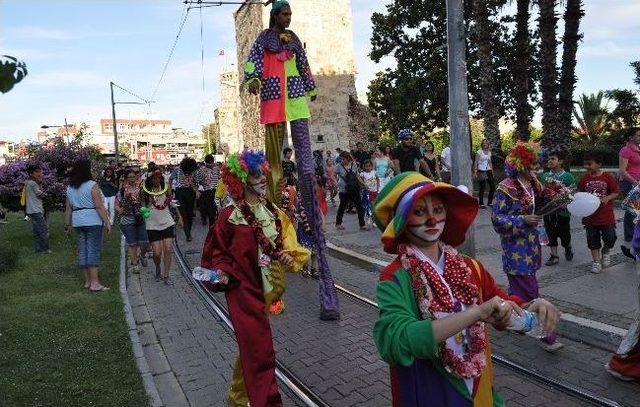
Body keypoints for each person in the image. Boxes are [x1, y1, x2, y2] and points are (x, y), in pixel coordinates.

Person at [372, 172, 560, 406]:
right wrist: (476, 313)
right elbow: (395, 342)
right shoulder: (394, 278)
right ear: (400, 220)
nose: (432, 220)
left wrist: (531, 306)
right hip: (431, 394)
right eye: (419, 212)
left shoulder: (470, 267)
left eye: (438, 210)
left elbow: (501, 303)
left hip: (478, 393)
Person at [244, 0, 339, 319]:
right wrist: (253, 78)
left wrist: (310, 86)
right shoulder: (262, 39)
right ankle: (271, 247)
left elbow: (304, 64)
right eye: (284, 14)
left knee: (307, 169)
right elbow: (252, 62)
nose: (288, 18)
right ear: (274, 15)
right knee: (272, 166)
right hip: (272, 100)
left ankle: (324, 277)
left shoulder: (294, 39)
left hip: (296, 100)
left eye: (290, 15)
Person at [199, 150, 309, 406]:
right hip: (242, 290)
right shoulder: (228, 216)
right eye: (256, 175)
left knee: (251, 348)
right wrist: (222, 271)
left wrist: (285, 256)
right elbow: (216, 253)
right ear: (241, 179)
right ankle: (267, 401)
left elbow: (286, 244)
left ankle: (237, 398)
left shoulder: (273, 212)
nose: (262, 179)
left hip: (268, 287)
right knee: (261, 350)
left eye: (263, 174)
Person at [492, 142, 563, 352]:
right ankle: (547, 335)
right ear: (520, 163)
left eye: (536, 162)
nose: (536, 166)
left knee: (518, 292)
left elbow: (547, 197)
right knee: (531, 291)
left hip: (531, 246)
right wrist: (523, 219)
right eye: (531, 162)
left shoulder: (533, 182)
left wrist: (562, 195)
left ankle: (509, 319)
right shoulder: (506, 187)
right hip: (515, 249)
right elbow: (497, 219)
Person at [64, 159, 112, 292]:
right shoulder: (92, 185)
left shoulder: (70, 187)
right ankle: (95, 283)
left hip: (77, 221)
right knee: (93, 250)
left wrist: (67, 225)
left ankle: (87, 281)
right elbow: (99, 206)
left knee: (83, 250)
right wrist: (107, 222)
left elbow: (68, 208)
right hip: (93, 220)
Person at [578, 152, 619, 274]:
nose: (587, 166)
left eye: (589, 163)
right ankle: (596, 262)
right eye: (585, 164)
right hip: (590, 217)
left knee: (610, 237)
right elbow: (580, 195)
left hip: (606, 216)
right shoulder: (584, 179)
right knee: (592, 239)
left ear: (599, 164)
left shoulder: (607, 177)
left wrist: (607, 198)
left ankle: (605, 251)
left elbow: (616, 192)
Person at [142, 169, 181, 285]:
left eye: (159, 178)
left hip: (167, 221)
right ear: (150, 179)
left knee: (168, 249)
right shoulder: (145, 192)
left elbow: (172, 203)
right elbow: (143, 209)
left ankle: (166, 275)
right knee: (157, 253)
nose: (157, 180)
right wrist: (148, 204)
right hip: (152, 223)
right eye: (154, 178)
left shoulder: (166, 189)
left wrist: (179, 216)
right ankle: (157, 267)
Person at [540, 151, 576, 266]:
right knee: (550, 233)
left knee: (564, 234)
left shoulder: (567, 176)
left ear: (560, 162)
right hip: (548, 211)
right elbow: (542, 191)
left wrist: (565, 193)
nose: (549, 161)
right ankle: (554, 255)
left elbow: (573, 191)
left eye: (553, 158)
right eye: (548, 159)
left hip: (562, 212)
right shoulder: (545, 176)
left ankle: (567, 246)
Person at [116, 169, 149, 272]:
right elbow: (116, 204)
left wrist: (144, 212)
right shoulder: (122, 190)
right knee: (132, 243)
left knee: (144, 242)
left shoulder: (140, 189)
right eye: (129, 177)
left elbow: (144, 202)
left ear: (136, 177)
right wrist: (120, 210)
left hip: (139, 218)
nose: (132, 179)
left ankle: (141, 256)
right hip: (127, 219)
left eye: (133, 176)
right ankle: (135, 265)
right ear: (126, 179)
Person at [619, 127, 640, 258]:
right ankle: (630, 235)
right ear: (631, 137)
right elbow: (622, 170)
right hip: (629, 183)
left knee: (637, 210)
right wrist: (634, 182)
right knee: (632, 210)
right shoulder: (626, 150)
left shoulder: (638, 149)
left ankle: (636, 236)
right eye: (638, 135)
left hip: (638, 182)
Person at [335, 151, 366, 231]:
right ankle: (338, 223)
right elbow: (333, 174)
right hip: (343, 189)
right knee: (342, 206)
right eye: (341, 159)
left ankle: (362, 225)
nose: (342, 160)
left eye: (343, 159)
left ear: (348, 158)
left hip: (354, 188)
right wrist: (336, 182)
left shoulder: (354, 165)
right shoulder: (339, 166)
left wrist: (363, 184)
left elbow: (357, 176)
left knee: (359, 206)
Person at [170, 157, 198, 241]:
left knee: (190, 214)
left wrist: (196, 191)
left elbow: (193, 182)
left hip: (190, 193)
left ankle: (188, 230)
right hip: (179, 193)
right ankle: (188, 234)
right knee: (183, 214)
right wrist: (170, 193)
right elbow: (170, 180)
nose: (188, 173)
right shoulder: (177, 170)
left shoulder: (193, 171)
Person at [25, 164, 50, 254]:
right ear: (31, 174)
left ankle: (38, 248)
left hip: (31, 210)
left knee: (36, 230)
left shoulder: (29, 183)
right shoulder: (33, 183)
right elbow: (41, 195)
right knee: (43, 230)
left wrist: (40, 182)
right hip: (36, 210)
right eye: (36, 172)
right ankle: (46, 249)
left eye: (40, 171)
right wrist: (41, 184)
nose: (40, 173)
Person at [195, 154, 220, 227]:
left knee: (214, 209)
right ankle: (209, 222)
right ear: (206, 162)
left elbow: (219, 179)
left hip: (215, 191)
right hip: (206, 192)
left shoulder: (217, 169)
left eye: (211, 163)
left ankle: (213, 224)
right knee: (208, 209)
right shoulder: (201, 170)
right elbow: (198, 181)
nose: (211, 165)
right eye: (209, 163)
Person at [473, 139, 495, 209]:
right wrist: (475, 171)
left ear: (488, 144)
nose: (485, 144)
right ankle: (481, 203)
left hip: (488, 170)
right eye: (483, 143)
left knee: (492, 186)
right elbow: (476, 162)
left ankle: (490, 202)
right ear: (482, 144)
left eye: (486, 143)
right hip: (481, 170)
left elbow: (490, 162)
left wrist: (492, 171)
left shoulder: (489, 152)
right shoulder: (479, 152)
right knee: (482, 187)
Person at [360, 159, 378, 227]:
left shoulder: (374, 172)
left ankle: (373, 220)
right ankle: (370, 220)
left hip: (375, 191)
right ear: (364, 167)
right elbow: (358, 178)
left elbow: (378, 179)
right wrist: (363, 185)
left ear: (372, 166)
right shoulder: (363, 173)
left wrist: (378, 187)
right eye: (366, 166)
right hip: (367, 192)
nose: (368, 167)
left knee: (374, 206)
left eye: (369, 166)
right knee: (370, 206)